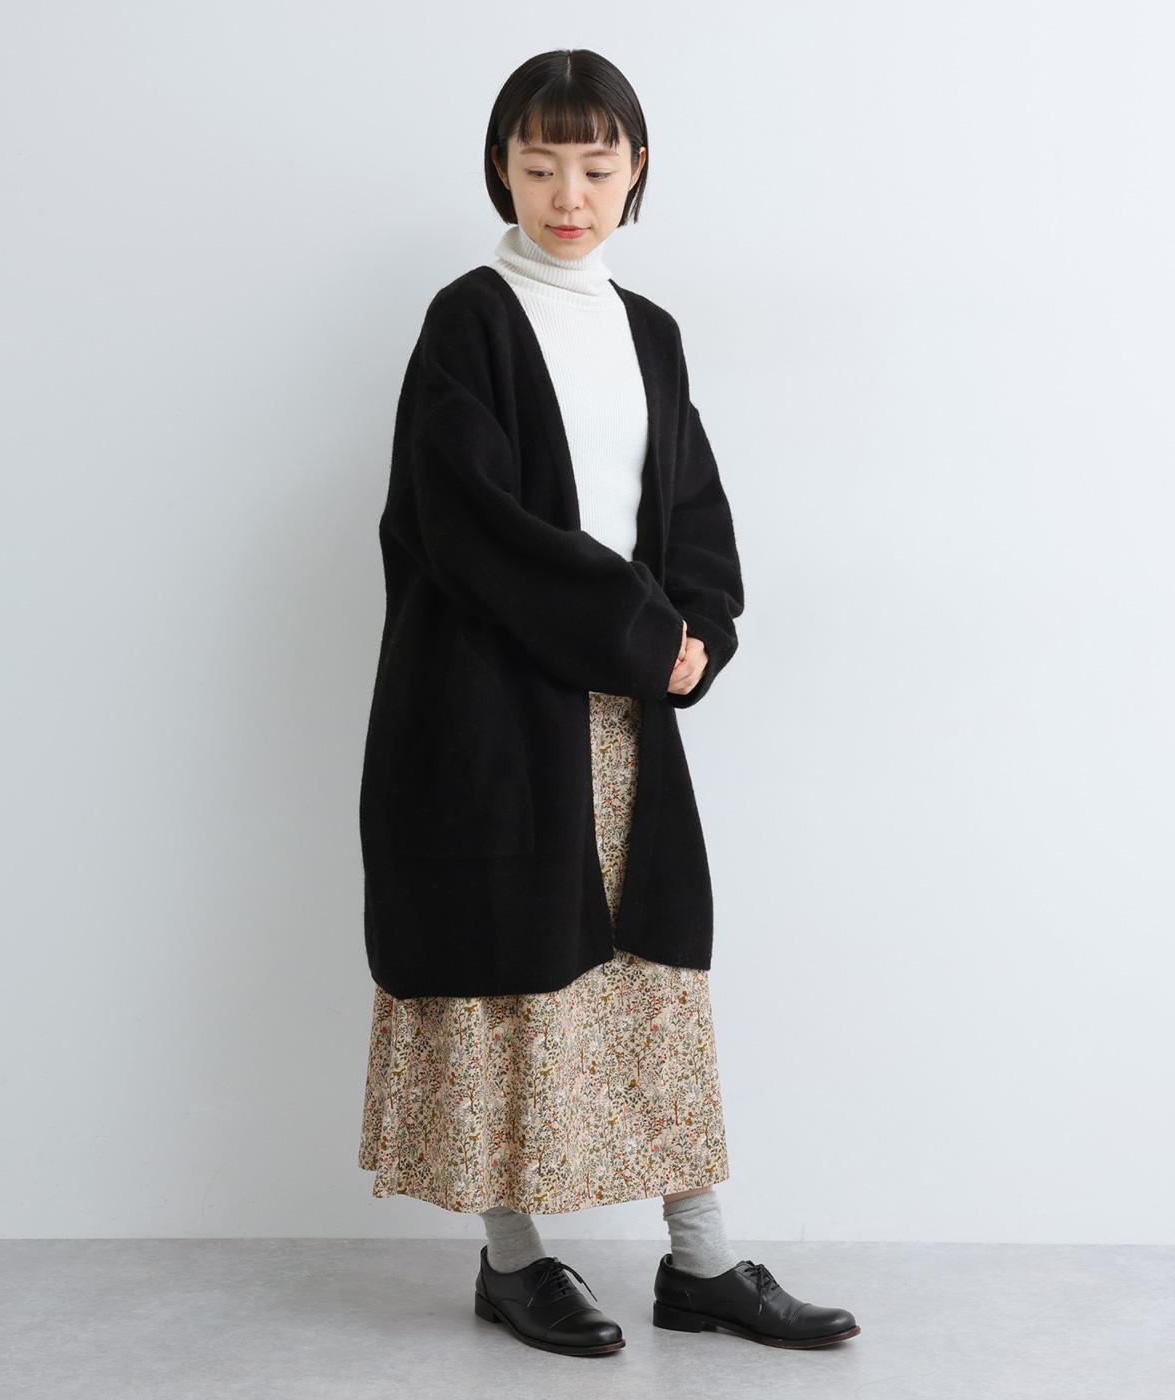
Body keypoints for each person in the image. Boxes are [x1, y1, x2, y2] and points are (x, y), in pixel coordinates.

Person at [357, 48, 860, 1357]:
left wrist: (700, 632)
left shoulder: (651, 332)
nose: (568, 194)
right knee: (509, 982)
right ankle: (514, 1260)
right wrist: (642, 633)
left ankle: (701, 1263)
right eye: (540, 165)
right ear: (502, 171)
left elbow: (689, 506)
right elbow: (467, 525)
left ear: (637, 171)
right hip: (490, 712)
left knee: (654, 980)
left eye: (594, 164)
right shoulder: (468, 321)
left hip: (624, 714)